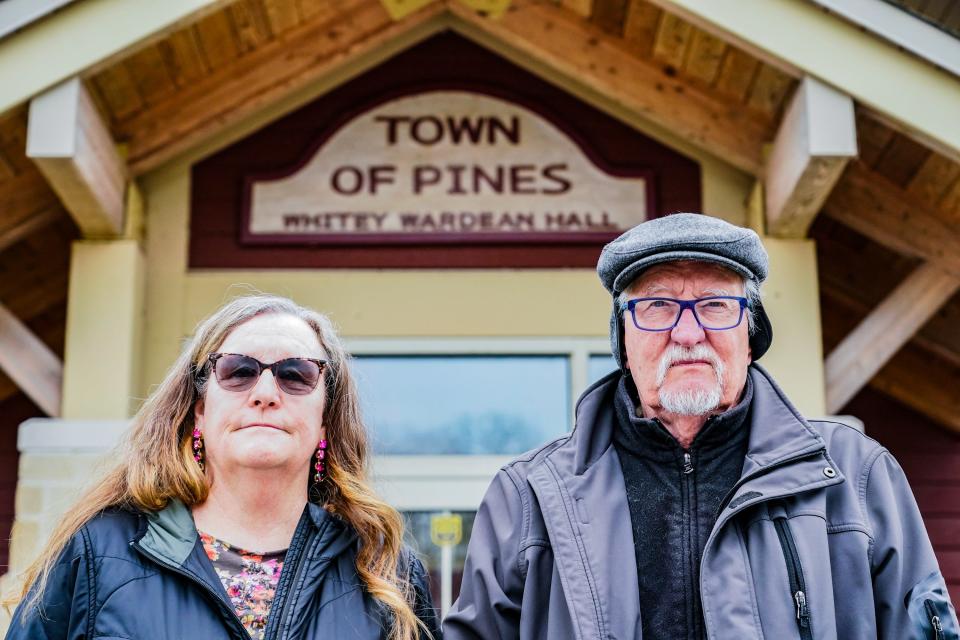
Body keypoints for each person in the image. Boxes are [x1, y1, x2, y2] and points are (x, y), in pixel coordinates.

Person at [444, 213, 959, 640]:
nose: (687, 333)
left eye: (715, 305)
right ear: (624, 340)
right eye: (658, 306)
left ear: (750, 334)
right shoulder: (529, 496)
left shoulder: (856, 476)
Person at [5, 295, 441, 640]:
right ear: (199, 410)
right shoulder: (99, 553)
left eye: (296, 374)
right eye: (238, 371)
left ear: (325, 418)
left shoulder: (385, 571)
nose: (266, 392)